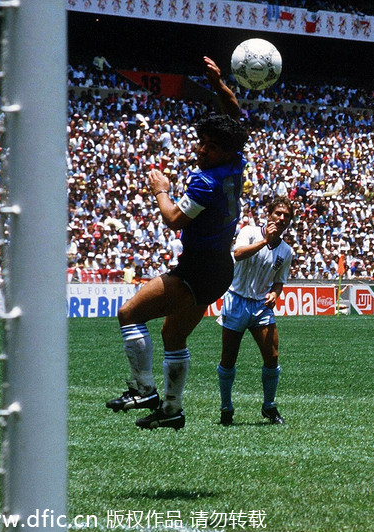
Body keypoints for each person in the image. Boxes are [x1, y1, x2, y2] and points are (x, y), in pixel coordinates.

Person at [105, 56, 246, 431]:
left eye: (211, 147)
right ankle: (172, 410)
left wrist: (161, 190)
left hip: (198, 268)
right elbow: (234, 118)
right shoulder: (236, 162)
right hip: (218, 268)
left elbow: (173, 220)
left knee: (129, 314)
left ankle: (144, 390)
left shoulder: (207, 181)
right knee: (172, 334)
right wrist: (219, 85)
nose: (203, 150)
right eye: (203, 143)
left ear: (225, 151)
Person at [217, 196, 294, 426]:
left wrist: (275, 293)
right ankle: (226, 407)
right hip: (236, 301)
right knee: (228, 359)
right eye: (278, 213)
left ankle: (269, 406)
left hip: (261, 306)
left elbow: (279, 281)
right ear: (268, 214)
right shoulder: (250, 232)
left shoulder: (286, 251)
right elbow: (237, 255)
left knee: (272, 357)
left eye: (286, 216)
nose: (281, 219)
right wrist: (265, 241)